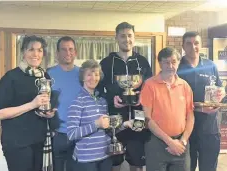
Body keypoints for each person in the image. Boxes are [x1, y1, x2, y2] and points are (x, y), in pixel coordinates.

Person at [97, 22, 152, 171]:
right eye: (122, 36)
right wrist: (111, 99)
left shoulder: (143, 61)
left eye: (129, 36)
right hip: (114, 117)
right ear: (116, 38)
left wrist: (142, 97)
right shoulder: (106, 63)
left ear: (134, 38)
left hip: (138, 115)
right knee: (115, 162)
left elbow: (150, 87)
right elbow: (98, 90)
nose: (126, 39)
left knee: (138, 162)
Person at [0, 35, 56, 171]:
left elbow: (42, 106)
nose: (36, 54)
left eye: (40, 50)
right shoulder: (11, 77)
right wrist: (32, 104)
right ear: (23, 52)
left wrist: (48, 113)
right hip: (17, 143)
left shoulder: (44, 76)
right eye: (31, 49)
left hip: (39, 140)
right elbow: (0, 113)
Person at [67, 59, 134, 171]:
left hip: (105, 157)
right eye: (89, 74)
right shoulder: (77, 101)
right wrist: (96, 124)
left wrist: (124, 125)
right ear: (82, 77)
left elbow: (108, 130)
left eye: (96, 74)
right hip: (85, 161)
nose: (93, 78)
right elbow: (71, 134)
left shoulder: (102, 101)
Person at [140, 47, 194, 171]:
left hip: (181, 144)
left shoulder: (185, 86)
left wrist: (183, 141)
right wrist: (170, 142)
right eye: (166, 62)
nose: (170, 66)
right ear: (160, 63)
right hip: (156, 143)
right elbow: (147, 118)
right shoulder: (149, 85)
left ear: (179, 62)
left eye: (174, 62)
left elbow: (190, 116)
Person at [178, 31, 225, 171]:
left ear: (201, 44)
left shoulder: (210, 65)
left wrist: (221, 94)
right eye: (189, 43)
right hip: (185, 130)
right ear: (183, 46)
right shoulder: (177, 68)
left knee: (209, 167)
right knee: (187, 167)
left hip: (210, 128)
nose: (193, 47)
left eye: (196, 43)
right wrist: (198, 109)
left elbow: (220, 88)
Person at [47, 36, 82, 171]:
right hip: (58, 135)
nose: (68, 53)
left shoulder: (83, 75)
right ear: (57, 53)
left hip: (79, 134)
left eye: (71, 49)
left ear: (75, 52)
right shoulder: (48, 75)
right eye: (64, 49)